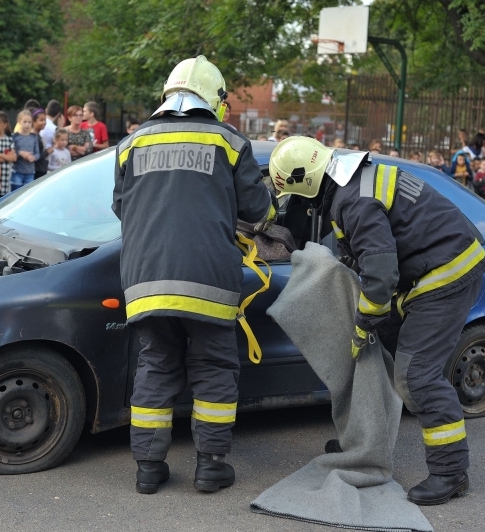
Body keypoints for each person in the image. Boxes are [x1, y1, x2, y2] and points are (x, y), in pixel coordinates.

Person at [270, 136, 485, 506]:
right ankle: (364, 445)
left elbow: (380, 269)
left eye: (296, 194)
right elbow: (365, 251)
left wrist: (363, 322)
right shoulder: (349, 182)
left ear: (305, 181)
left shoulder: (353, 199)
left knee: (416, 376)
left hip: (446, 276)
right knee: (376, 360)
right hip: (422, 275)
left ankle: (450, 472)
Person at [113, 55, 275, 496]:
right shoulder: (230, 142)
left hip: (145, 282)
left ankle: (148, 469)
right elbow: (260, 212)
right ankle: (211, 468)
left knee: (156, 366)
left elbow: (121, 208)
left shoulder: (131, 144)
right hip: (208, 281)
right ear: (215, 98)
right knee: (214, 369)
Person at [11, 110, 38, 191]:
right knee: (15, 194)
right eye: (25, 122)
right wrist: (21, 153)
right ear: (19, 122)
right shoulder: (14, 136)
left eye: (29, 122)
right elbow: (12, 151)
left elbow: (37, 153)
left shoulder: (34, 137)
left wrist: (34, 157)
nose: (27, 124)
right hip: (17, 171)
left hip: (30, 172)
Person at [31, 108, 50, 179]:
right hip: (37, 170)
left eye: (45, 120)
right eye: (41, 120)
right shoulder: (33, 137)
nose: (44, 122)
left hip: (41, 170)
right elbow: (35, 156)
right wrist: (47, 152)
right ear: (33, 121)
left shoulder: (38, 135)